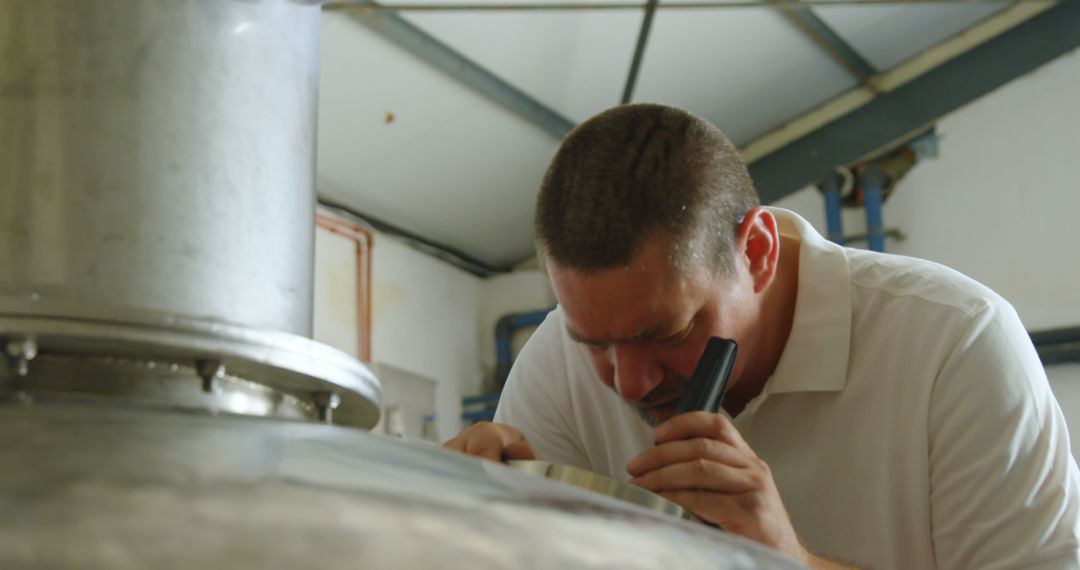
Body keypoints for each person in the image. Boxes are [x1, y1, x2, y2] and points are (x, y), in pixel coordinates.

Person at [444, 104, 1080, 568]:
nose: (630, 381)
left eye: (667, 331)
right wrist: (466, 534)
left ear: (757, 251)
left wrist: (787, 560)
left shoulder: (955, 346)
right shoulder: (555, 362)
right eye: (595, 344)